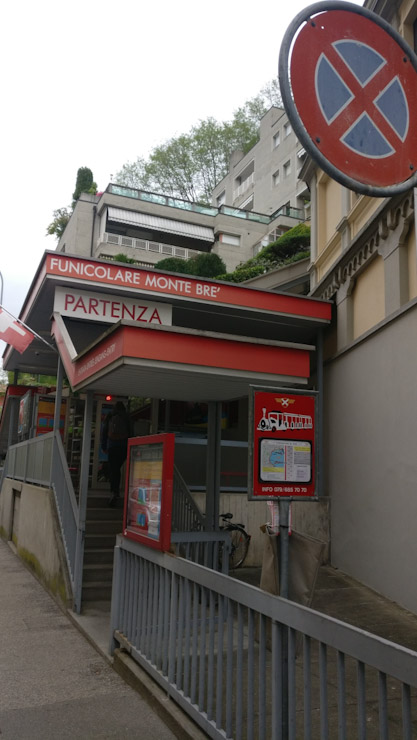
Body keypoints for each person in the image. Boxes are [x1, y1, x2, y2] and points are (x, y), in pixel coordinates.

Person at [101, 401, 131, 507]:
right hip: (124, 447)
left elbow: (104, 432)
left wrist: (104, 446)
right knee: (117, 468)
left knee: (114, 469)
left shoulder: (110, 416)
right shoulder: (127, 417)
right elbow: (131, 432)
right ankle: (116, 490)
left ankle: (114, 491)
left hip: (112, 446)